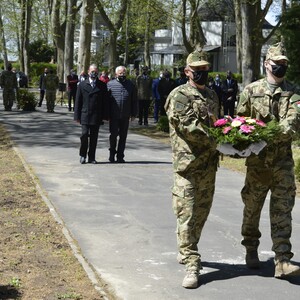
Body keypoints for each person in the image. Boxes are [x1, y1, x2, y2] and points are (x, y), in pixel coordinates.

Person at [236, 42, 300, 278]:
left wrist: (270, 134)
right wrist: (242, 141)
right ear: (266, 63)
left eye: (284, 64)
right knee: (252, 208)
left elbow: (292, 122)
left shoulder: (294, 92)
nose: (281, 67)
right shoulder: (251, 91)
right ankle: (250, 248)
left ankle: (282, 259)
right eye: (277, 63)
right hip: (257, 163)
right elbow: (240, 123)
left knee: (282, 209)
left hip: (282, 162)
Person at [164, 51, 219, 288]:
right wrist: (220, 139)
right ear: (187, 71)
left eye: (205, 68)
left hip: (208, 166)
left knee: (200, 214)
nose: (202, 72)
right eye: (197, 69)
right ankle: (191, 264)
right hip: (187, 167)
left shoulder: (212, 95)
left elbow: (217, 122)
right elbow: (189, 128)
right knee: (186, 214)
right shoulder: (179, 95)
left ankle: (186, 247)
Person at [74, 64, 108, 164]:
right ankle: (82, 155)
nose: (94, 73)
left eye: (96, 71)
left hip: (96, 115)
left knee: (94, 137)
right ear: (88, 71)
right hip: (85, 115)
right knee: (84, 135)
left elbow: (104, 102)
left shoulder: (102, 85)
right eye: (92, 71)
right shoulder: (82, 84)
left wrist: (105, 115)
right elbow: (78, 101)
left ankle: (92, 157)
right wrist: (76, 116)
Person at [107, 66, 137, 163]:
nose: (122, 75)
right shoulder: (110, 84)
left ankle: (120, 156)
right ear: (116, 74)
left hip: (125, 115)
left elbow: (134, 101)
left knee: (123, 136)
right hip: (114, 115)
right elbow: (106, 101)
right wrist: (106, 114)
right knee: (113, 135)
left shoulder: (131, 85)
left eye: (124, 73)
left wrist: (134, 114)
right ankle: (112, 154)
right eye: (120, 73)